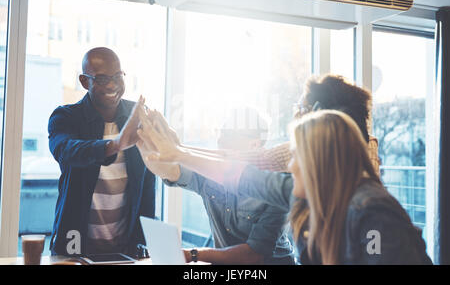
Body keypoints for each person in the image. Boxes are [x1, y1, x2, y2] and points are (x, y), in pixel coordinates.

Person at [137, 109, 432, 264]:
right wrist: (177, 152)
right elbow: (239, 175)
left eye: (297, 158)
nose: (290, 166)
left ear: (323, 163)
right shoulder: (297, 191)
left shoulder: (372, 215)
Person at [136, 107, 296, 265]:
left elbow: (254, 255)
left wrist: (191, 254)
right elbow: (170, 170)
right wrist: (144, 141)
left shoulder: (275, 186)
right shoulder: (210, 172)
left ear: (255, 144)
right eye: (220, 131)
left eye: (229, 134)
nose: (220, 140)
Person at [48, 47, 155, 257]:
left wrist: (147, 242)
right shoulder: (66, 117)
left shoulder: (137, 117)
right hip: (74, 243)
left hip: (128, 248)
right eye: (102, 79)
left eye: (117, 76)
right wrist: (114, 144)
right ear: (84, 81)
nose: (113, 85)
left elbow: (148, 184)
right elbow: (66, 151)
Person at [181, 75, 380, 174]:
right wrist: (177, 150)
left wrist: (176, 150)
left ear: (317, 112)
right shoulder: (363, 149)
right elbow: (246, 158)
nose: (295, 114)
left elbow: (246, 160)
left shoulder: (313, 154)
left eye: (300, 107)